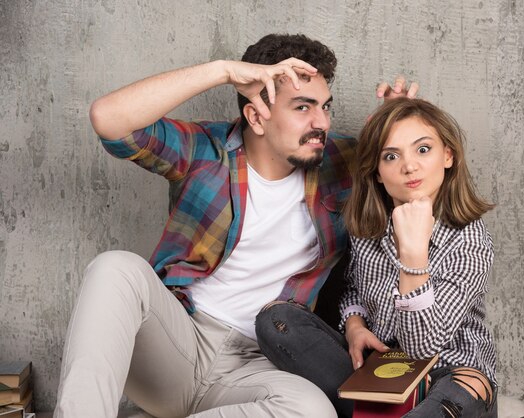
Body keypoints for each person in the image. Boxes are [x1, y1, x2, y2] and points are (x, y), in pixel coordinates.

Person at [54, 33, 360, 418]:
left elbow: (413, 169)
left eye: (324, 106)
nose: (321, 122)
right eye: (303, 107)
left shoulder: (340, 160)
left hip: (259, 362)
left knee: (313, 411)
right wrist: (223, 71)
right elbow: (109, 120)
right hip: (177, 346)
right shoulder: (206, 151)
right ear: (255, 116)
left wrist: (402, 116)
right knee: (116, 269)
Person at [257, 97, 497, 417]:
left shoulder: (470, 240)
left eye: (423, 149)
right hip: (379, 371)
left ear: (448, 156)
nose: (409, 166)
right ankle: (381, 408)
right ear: (379, 174)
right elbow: (355, 289)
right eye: (391, 155)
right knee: (276, 320)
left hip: (447, 374)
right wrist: (354, 325)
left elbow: (422, 348)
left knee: (467, 386)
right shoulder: (369, 228)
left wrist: (413, 258)